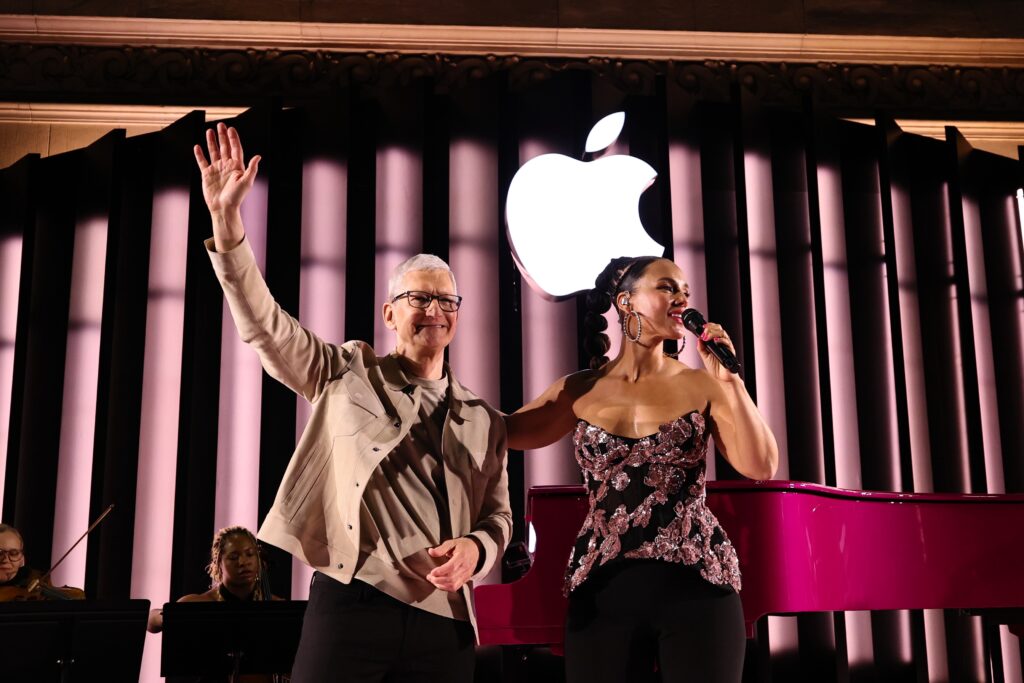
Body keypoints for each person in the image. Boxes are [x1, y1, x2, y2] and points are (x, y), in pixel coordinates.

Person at [193, 122, 512, 683]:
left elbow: (499, 516)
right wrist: (226, 223)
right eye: (419, 297)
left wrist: (476, 551)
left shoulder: (482, 417)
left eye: (447, 300)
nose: (435, 310)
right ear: (389, 313)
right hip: (352, 601)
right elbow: (265, 326)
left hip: (443, 618)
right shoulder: (345, 372)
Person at [504, 256, 778, 683]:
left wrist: (731, 381)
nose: (682, 298)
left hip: (699, 585)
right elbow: (504, 433)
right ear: (626, 302)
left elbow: (760, 465)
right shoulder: (579, 389)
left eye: (685, 291)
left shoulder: (704, 385)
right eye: (667, 287)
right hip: (603, 591)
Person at [147, 526, 280, 634]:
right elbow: (150, 621)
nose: (243, 562)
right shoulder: (198, 604)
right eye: (233, 557)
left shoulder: (278, 607)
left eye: (250, 554)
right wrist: (169, 616)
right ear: (218, 563)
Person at [0, 523, 85, 601]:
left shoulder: (35, 578)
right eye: (0, 553)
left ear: (22, 558)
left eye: (14, 553)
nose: (6, 560)